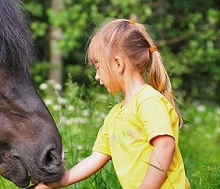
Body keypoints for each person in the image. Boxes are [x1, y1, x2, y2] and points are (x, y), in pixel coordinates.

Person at [34, 19, 190, 189]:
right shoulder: (115, 116)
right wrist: (56, 183)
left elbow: (165, 145)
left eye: (98, 67)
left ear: (118, 63)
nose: (96, 76)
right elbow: (96, 158)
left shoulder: (148, 101)